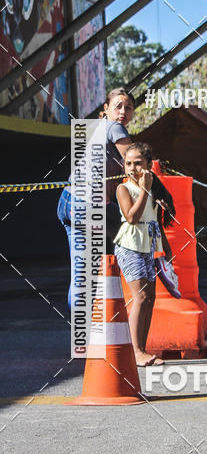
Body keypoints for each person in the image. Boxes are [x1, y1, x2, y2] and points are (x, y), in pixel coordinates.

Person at [56, 87, 135, 306]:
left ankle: (81, 327)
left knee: (81, 275)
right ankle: (144, 276)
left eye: (128, 108)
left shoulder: (101, 128)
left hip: (69, 201)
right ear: (106, 109)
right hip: (87, 204)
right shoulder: (114, 127)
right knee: (136, 227)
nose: (123, 111)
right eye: (118, 106)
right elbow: (135, 163)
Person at [114, 142, 175, 366]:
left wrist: (166, 248)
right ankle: (135, 351)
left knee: (150, 298)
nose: (132, 168)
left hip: (148, 247)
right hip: (130, 246)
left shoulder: (153, 189)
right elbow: (132, 217)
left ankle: (143, 348)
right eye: (128, 163)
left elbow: (155, 221)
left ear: (149, 164)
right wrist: (145, 190)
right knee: (140, 297)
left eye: (138, 163)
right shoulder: (124, 189)